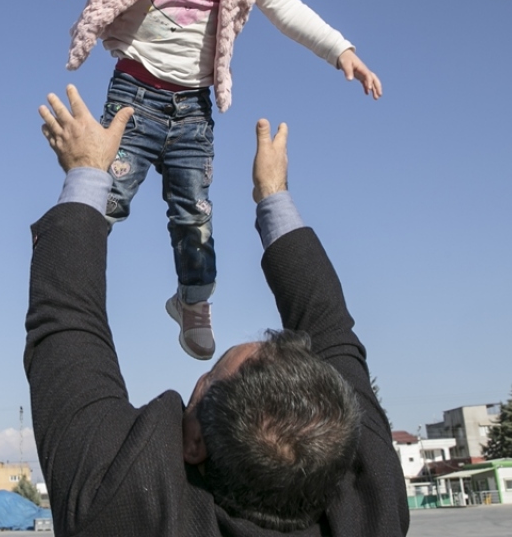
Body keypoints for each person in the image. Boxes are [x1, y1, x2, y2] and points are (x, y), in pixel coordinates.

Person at [37, 0, 382, 361]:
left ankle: (193, 301)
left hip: (193, 110)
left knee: (194, 214)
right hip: (135, 93)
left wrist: (341, 49)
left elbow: (288, 10)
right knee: (111, 193)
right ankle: (65, 255)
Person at [26, 85, 408, 536]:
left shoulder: (116, 505)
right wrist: (273, 194)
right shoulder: (371, 513)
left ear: (194, 442)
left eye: (206, 380)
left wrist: (88, 169)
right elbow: (331, 329)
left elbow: (67, 320)